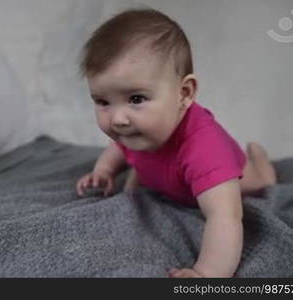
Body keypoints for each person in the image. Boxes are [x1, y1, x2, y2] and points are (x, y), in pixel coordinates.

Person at [75, 8, 277, 278]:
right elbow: (118, 149)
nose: (117, 119)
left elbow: (225, 218)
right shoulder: (134, 129)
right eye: (102, 102)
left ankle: (260, 160)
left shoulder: (204, 148)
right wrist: (104, 171)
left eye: (136, 98)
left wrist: (206, 274)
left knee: (261, 181)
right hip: (172, 182)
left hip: (239, 180)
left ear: (184, 93)